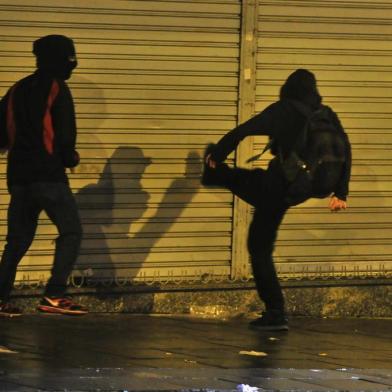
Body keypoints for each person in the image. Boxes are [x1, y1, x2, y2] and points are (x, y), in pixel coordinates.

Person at [202, 69, 351, 331]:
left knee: (258, 244)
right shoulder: (326, 114)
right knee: (257, 196)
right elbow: (345, 150)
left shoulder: (284, 109)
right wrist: (340, 192)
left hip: (283, 183)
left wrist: (219, 152)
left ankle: (275, 312)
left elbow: (245, 130)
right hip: (303, 188)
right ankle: (217, 175)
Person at [0, 35, 87, 316]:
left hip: (18, 177)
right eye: (70, 59)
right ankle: (54, 295)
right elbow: (64, 135)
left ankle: (1, 297)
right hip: (48, 175)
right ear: (61, 59)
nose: (72, 65)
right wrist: (69, 158)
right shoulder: (56, 88)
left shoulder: (17, 89)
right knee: (71, 232)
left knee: (17, 240)